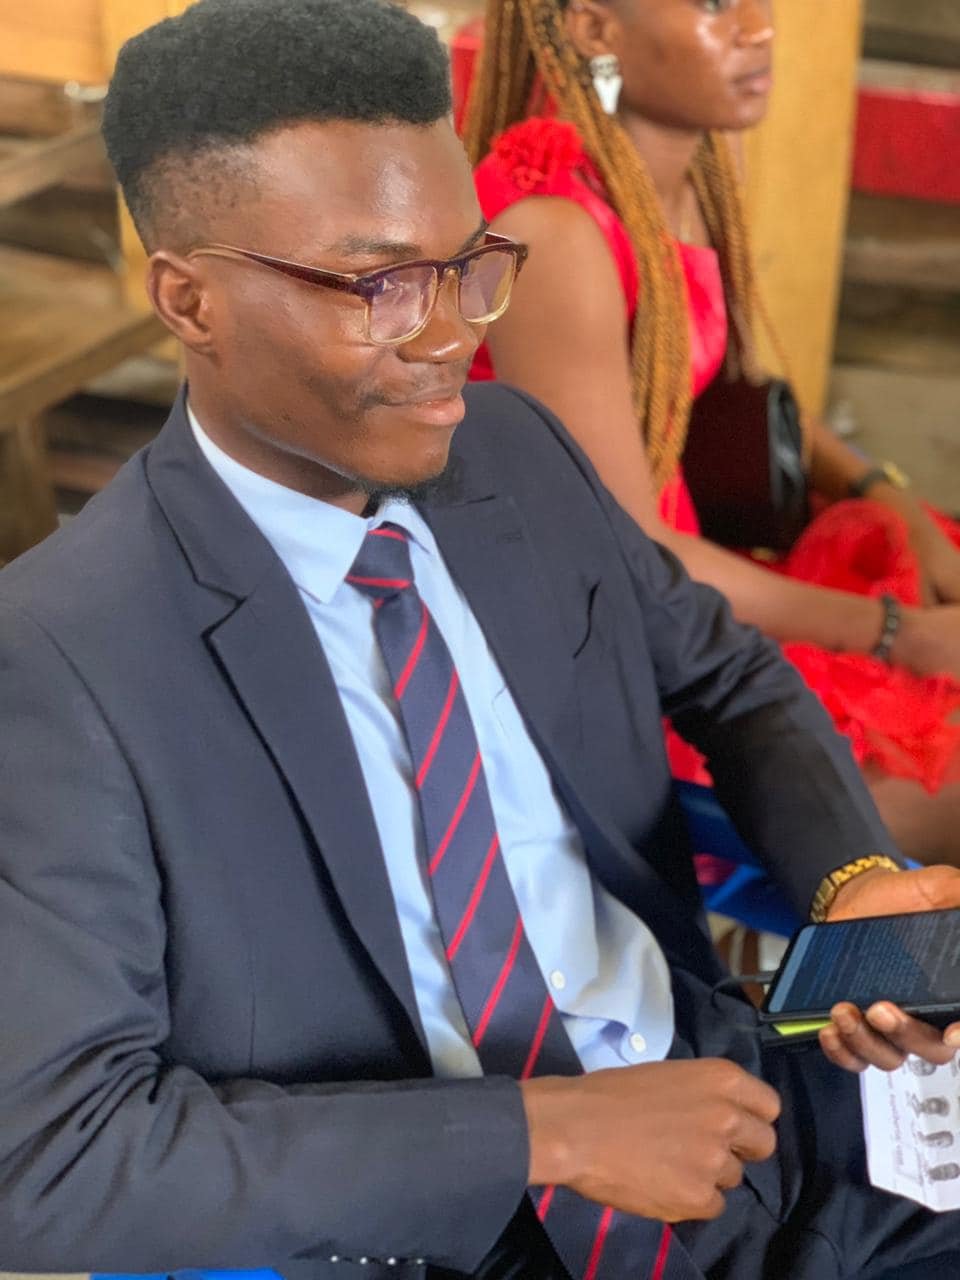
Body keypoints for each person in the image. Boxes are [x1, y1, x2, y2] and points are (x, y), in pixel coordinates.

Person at [2, 2, 960, 1277]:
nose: (455, 333)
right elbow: (54, 1160)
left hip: (743, 1106)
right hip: (447, 1228)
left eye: (467, 266)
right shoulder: (63, 658)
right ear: (189, 299)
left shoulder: (515, 458)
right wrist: (546, 1134)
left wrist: (852, 881)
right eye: (382, 286)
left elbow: (725, 673)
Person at [462, 0, 960, 865]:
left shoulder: (685, 171)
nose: (758, 28)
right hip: (616, 646)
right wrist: (895, 631)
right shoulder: (553, 230)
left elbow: (735, 400)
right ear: (593, 29)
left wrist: (890, 498)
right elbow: (637, 559)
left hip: (699, 579)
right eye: (711, 3)